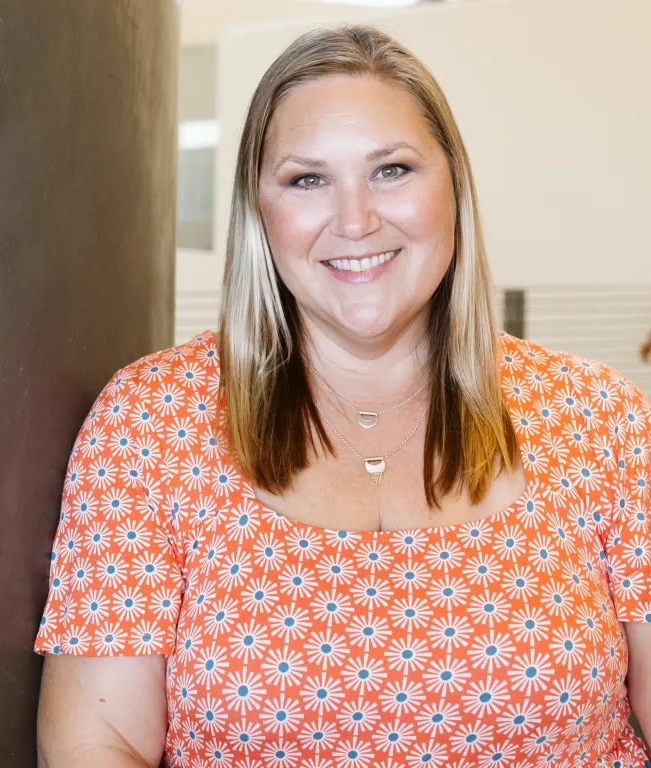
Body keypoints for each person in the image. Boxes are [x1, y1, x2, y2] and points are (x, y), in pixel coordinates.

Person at [34, 24, 651, 768]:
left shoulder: (602, 418)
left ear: (452, 185)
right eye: (307, 179)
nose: (355, 220)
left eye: (392, 170)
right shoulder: (151, 423)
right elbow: (98, 742)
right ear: (259, 212)